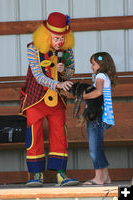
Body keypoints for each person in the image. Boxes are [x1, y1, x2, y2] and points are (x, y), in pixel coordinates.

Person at [20, 12, 79, 187]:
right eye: (56, 38)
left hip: (57, 102)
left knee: (60, 135)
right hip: (35, 100)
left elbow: (71, 72)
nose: (59, 42)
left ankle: (61, 174)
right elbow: (38, 75)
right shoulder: (33, 48)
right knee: (34, 135)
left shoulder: (68, 51)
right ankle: (36, 175)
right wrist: (58, 84)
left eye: (62, 38)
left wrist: (63, 72)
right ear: (46, 35)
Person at [82, 52, 117, 185]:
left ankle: (99, 178)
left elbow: (98, 92)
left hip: (97, 116)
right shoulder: (104, 76)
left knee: (94, 148)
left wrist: (84, 96)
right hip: (103, 116)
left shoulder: (100, 76)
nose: (92, 67)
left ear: (101, 64)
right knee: (98, 147)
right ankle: (106, 177)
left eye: (94, 64)